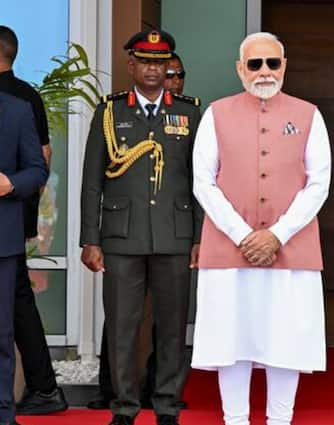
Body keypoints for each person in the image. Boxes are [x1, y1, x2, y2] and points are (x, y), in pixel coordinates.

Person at [190, 32, 330, 425]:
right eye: (255, 64)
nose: (264, 71)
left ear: (284, 66)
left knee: (286, 342)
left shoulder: (309, 115)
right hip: (228, 249)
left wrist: (277, 235)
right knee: (231, 342)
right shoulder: (216, 114)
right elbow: (203, 181)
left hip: (291, 249)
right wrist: (242, 235)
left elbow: (319, 183)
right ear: (240, 69)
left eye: (273, 63)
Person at [79, 29, 201, 425]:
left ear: (169, 68)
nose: (153, 69)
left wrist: (200, 238)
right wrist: (90, 238)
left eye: (160, 62)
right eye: (145, 61)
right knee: (122, 326)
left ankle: (166, 404)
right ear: (131, 65)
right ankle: (124, 406)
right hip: (121, 236)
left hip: (174, 234)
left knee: (172, 325)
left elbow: (201, 181)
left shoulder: (189, 112)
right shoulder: (110, 111)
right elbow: (92, 181)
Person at [0, 25, 67, 415]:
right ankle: (43, 387)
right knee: (18, 303)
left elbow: (39, 161)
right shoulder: (28, 94)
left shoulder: (20, 102)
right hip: (16, 217)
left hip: (8, 219)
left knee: (12, 311)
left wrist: (16, 193)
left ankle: (40, 389)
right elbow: (45, 156)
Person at [0, 91, 49, 425]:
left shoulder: (17, 111)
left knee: (2, 334)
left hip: (2, 242)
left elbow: (37, 170)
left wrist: (11, 184)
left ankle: (4, 414)